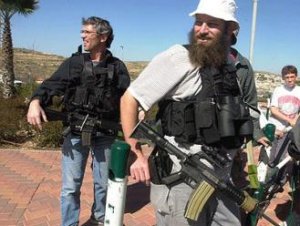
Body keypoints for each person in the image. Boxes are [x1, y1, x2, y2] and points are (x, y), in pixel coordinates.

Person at [120, 0, 255, 225]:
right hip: (182, 177)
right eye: (199, 22)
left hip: (222, 176)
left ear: (230, 29)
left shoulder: (229, 67)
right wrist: (136, 152)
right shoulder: (179, 57)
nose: (202, 30)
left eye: (212, 24)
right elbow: (129, 99)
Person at [26, 17, 130, 226]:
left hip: (105, 133)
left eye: (87, 32)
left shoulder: (117, 67)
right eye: (82, 32)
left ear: (103, 36)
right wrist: (35, 102)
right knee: (70, 187)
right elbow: (49, 86)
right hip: (75, 132)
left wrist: (139, 111)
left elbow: (129, 97)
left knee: (103, 184)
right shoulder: (73, 63)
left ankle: (99, 218)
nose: (82, 36)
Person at [267, 65, 300, 184]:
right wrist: (288, 120)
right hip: (277, 128)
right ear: (283, 78)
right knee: (273, 157)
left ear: (296, 76)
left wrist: (295, 119)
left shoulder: (299, 91)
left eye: (292, 76)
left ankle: (279, 181)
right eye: (287, 77)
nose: (290, 79)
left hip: (291, 130)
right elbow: (274, 110)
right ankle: (269, 180)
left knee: (285, 157)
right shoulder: (278, 90)